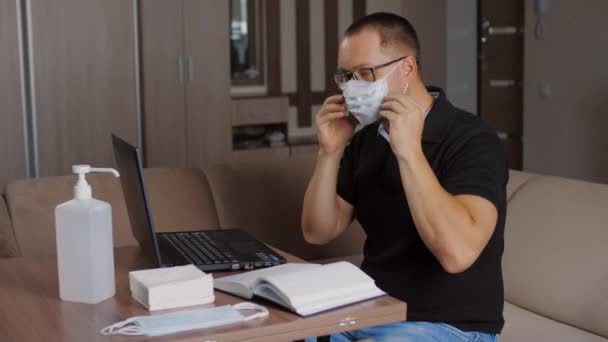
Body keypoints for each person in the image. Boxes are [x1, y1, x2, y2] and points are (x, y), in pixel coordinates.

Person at [301, 12, 508, 342]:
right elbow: (318, 230)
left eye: (365, 73)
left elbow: (457, 253)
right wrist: (329, 152)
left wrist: (409, 150)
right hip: (369, 312)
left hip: (449, 324)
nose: (353, 86)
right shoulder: (367, 140)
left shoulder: (472, 139)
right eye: (346, 75)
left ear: (408, 68)